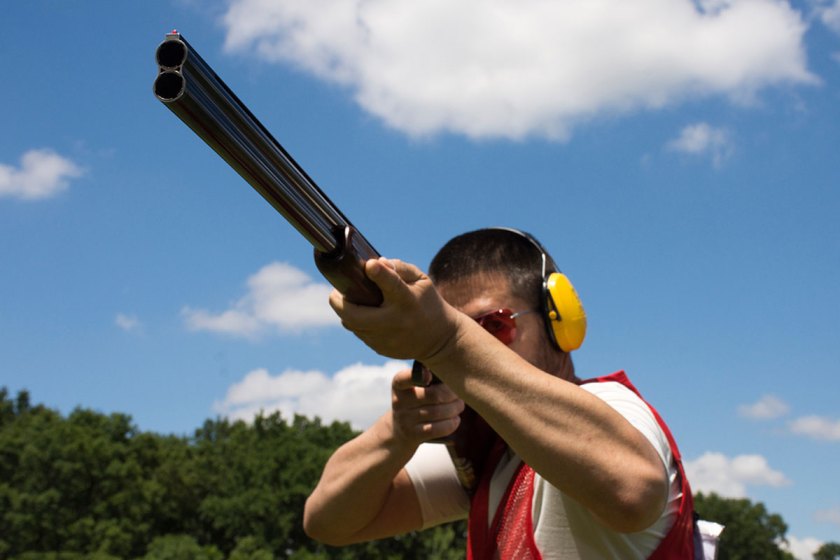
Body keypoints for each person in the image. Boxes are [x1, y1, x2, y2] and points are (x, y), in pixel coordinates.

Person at [303, 228, 697, 559]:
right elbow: (327, 520)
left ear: (559, 320)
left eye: (492, 326)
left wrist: (446, 340)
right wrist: (397, 433)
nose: (476, 347)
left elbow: (635, 491)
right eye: (461, 327)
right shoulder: (491, 454)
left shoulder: (611, 403)